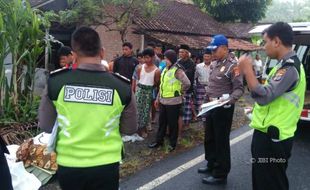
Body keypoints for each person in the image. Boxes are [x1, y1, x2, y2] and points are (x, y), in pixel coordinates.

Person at [38, 27, 137, 190]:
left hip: (69, 164)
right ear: (103, 52)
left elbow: (46, 126)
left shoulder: (56, 82)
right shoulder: (122, 86)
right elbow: (130, 128)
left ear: (74, 55)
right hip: (106, 164)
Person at [238, 22, 306, 190]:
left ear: (276, 41)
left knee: (272, 182)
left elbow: (265, 96)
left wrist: (248, 70)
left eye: (265, 41)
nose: (263, 46)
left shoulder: (290, 68)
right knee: (262, 180)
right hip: (267, 134)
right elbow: (274, 99)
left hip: (274, 139)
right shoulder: (282, 65)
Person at [198, 34, 244, 185]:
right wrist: (204, 102)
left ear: (224, 48)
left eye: (214, 50)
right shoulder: (216, 64)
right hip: (210, 106)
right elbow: (211, 86)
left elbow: (239, 89)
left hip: (223, 109)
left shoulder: (233, 66)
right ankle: (211, 163)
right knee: (209, 137)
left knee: (221, 140)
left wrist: (228, 101)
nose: (212, 53)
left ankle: (220, 173)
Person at [148, 49, 190, 152]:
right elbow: (162, 86)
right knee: (161, 123)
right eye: (164, 58)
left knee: (172, 124)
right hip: (163, 101)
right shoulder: (165, 70)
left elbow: (187, 83)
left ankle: (172, 144)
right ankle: (159, 141)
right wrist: (158, 98)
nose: (164, 61)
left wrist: (180, 92)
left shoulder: (178, 70)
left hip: (173, 102)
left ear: (171, 59)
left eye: (166, 59)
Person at [135, 48, 161, 138]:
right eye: (144, 58)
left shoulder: (157, 71)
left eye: (147, 57)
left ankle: (144, 129)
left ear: (153, 57)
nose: (146, 60)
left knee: (146, 112)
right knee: (137, 111)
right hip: (139, 91)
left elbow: (156, 83)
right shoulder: (140, 68)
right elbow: (139, 79)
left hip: (148, 92)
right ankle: (137, 129)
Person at [177, 44, 196, 136]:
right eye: (179, 52)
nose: (180, 53)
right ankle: (181, 124)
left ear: (187, 53)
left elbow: (187, 76)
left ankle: (187, 124)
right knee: (180, 107)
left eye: (182, 52)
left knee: (187, 107)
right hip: (178, 88)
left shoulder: (191, 63)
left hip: (187, 88)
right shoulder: (178, 62)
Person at [194, 48, 212, 120]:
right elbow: (195, 76)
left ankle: (208, 116)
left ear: (211, 57)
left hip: (211, 87)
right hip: (200, 86)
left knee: (210, 102)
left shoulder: (214, 65)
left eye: (208, 56)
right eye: (205, 56)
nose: (206, 58)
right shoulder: (198, 66)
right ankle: (202, 116)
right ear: (203, 57)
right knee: (200, 102)